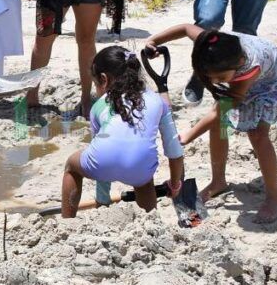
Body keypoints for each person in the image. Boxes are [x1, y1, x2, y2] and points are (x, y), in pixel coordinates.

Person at [145, 24, 277, 224]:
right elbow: (186, 28)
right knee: (219, 125)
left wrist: (188, 135)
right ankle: (218, 181)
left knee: (257, 134)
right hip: (236, 68)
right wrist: (153, 41)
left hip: (268, 79)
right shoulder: (210, 46)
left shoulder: (249, 67)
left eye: (220, 78)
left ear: (238, 63)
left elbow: (218, 110)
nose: (214, 82)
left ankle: (275, 196)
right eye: (209, 77)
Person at [60, 45, 184, 218]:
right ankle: (151, 220)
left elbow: (102, 151)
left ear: (104, 79)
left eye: (96, 84)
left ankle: (67, 220)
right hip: (140, 170)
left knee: (72, 165)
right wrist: (175, 183)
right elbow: (175, 152)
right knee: (144, 180)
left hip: (101, 164)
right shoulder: (158, 101)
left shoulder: (98, 106)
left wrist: (103, 200)